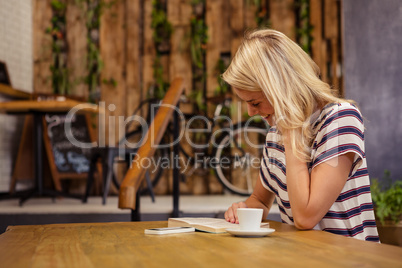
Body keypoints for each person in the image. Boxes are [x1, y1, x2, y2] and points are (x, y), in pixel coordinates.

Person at [222, 29, 379, 242]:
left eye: (255, 102)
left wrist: (292, 132)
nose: (250, 113)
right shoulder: (276, 134)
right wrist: (242, 208)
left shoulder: (340, 119)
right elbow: (260, 199)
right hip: (303, 257)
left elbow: (306, 217)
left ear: (281, 88)